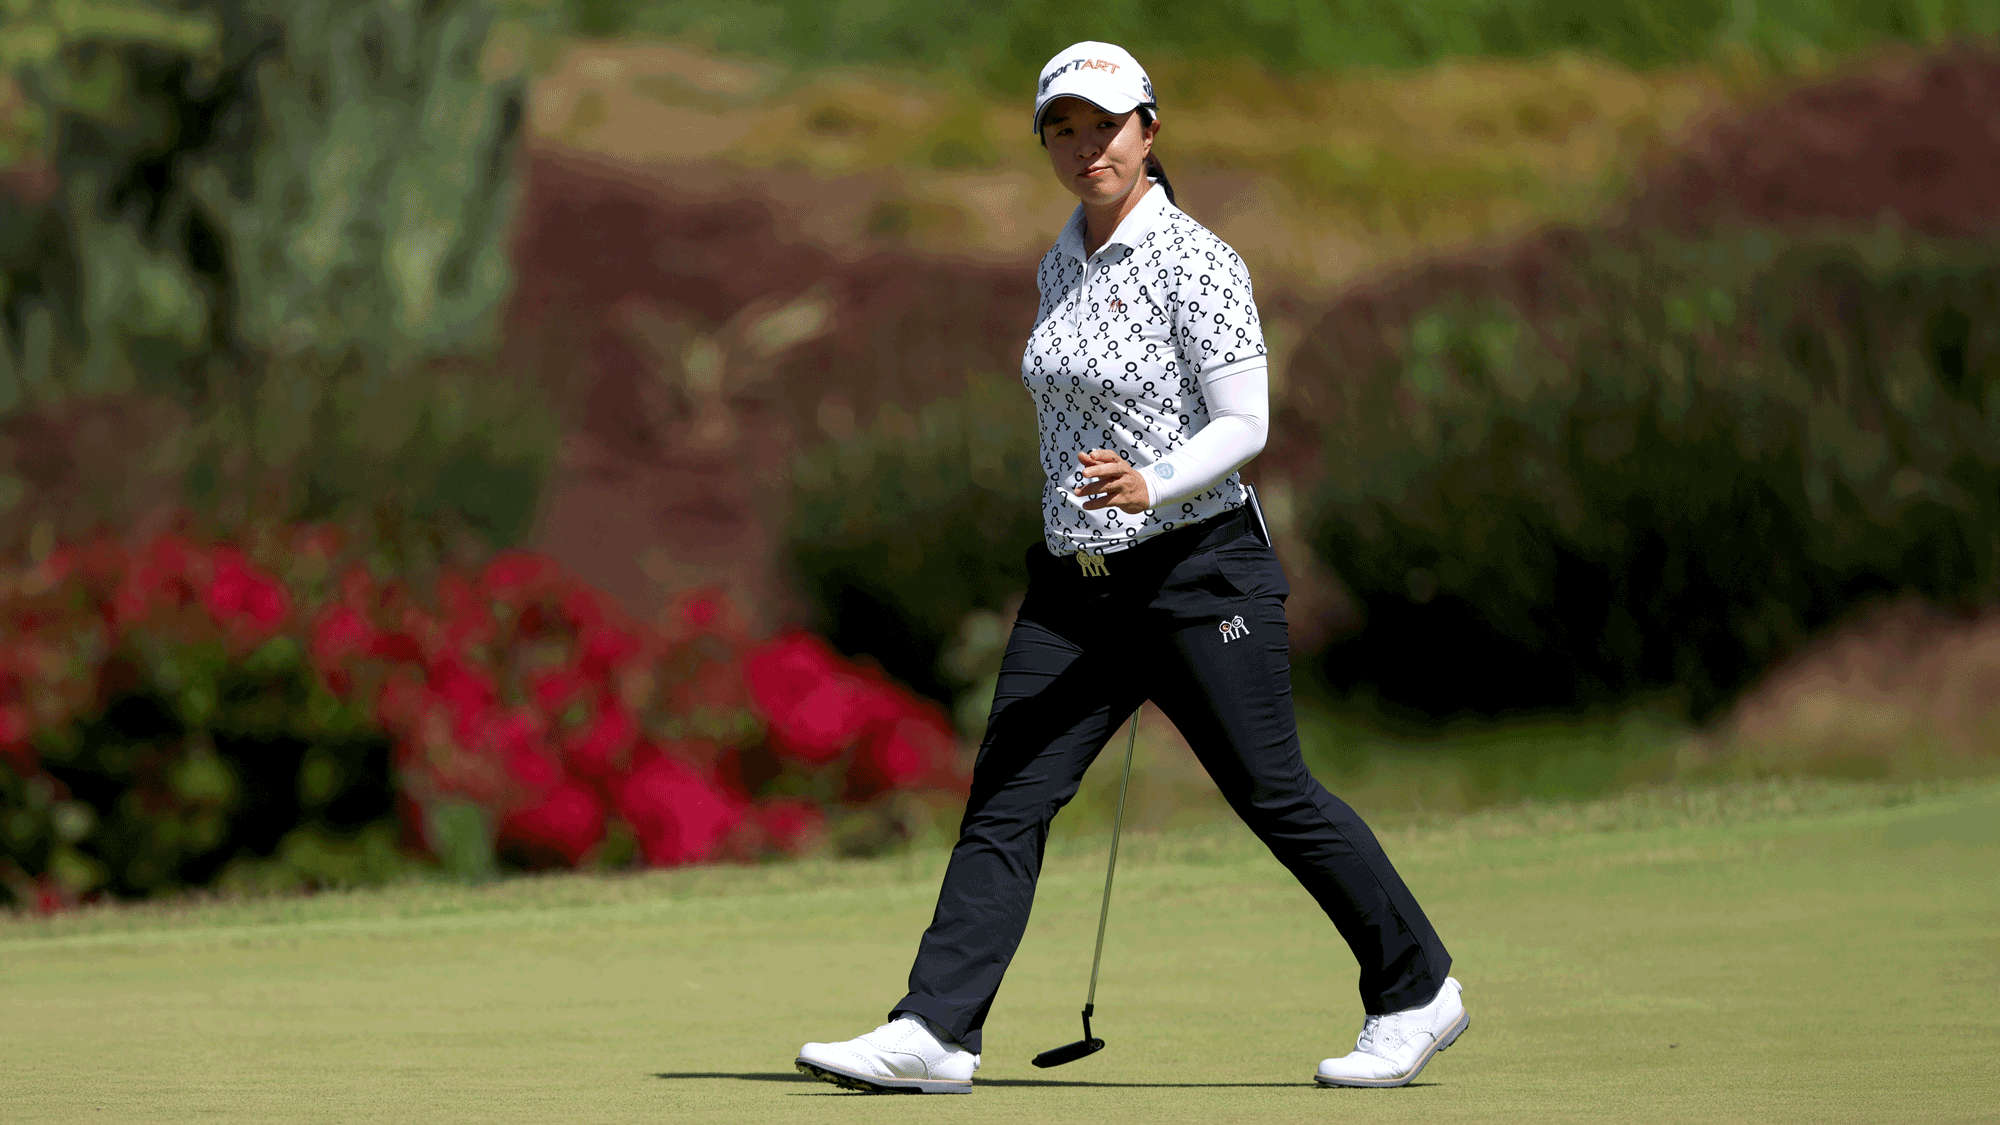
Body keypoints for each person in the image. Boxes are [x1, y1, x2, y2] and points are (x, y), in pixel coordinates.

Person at [795, 41, 1465, 1094]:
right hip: (1077, 587)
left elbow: (1246, 422)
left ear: (1148, 130)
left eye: (1102, 125)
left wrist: (1152, 483)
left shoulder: (1199, 261)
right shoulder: (1057, 258)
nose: (1083, 146)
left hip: (1198, 573)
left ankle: (1414, 987)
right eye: (1061, 128)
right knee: (1007, 795)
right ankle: (933, 1031)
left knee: (1270, 791)